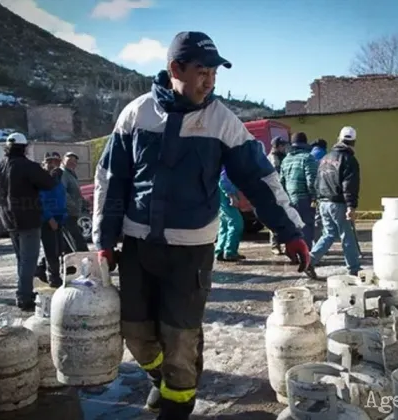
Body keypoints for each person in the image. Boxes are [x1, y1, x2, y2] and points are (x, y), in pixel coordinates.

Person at [92, 31, 309, 420]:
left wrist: (290, 232)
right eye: (202, 71)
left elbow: (260, 180)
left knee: (179, 338)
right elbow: (111, 180)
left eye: (213, 74)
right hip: (139, 247)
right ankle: (163, 380)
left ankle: (178, 405)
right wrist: (104, 240)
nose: (209, 81)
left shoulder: (220, 120)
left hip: (191, 252)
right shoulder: (136, 115)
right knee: (136, 334)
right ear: (175, 69)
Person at [0, 132, 56, 310]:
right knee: (29, 260)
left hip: (8, 219)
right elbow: (49, 183)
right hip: (28, 219)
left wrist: (0, 202)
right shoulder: (27, 166)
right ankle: (24, 296)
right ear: (24, 147)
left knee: (22, 258)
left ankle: (23, 291)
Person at [305, 126, 362, 280]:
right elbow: (349, 185)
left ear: (339, 139)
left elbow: (317, 180)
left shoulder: (326, 158)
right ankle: (354, 270)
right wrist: (351, 206)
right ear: (353, 142)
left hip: (323, 202)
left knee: (329, 234)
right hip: (339, 203)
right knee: (347, 236)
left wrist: (317, 199)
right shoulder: (349, 160)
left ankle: (310, 260)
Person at [279, 132, 318, 250]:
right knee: (306, 227)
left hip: (289, 198)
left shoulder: (286, 160)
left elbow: (281, 181)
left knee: (293, 227)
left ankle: (293, 254)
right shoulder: (308, 158)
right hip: (304, 198)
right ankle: (306, 256)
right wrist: (314, 197)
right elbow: (311, 180)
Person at [36, 153, 67, 287]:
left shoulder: (57, 178)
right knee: (51, 250)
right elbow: (40, 201)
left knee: (59, 249)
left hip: (59, 218)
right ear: (44, 163)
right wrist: (49, 218)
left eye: (56, 161)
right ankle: (54, 278)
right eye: (50, 162)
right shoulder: (42, 180)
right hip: (48, 220)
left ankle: (40, 269)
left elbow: (61, 198)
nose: (53, 164)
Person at [60, 151, 89, 252]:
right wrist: (72, 205)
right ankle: (83, 259)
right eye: (69, 160)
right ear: (63, 161)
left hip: (73, 213)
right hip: (67, 214)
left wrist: (83, 202)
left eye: (74, 161)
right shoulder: (63, 173)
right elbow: (63, 192)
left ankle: (69, 265)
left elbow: (75, 192)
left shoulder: (71, 174)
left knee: (67, 244)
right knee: (78, 242)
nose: (72, 162)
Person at [215, 168, 245, 262]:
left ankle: (220, 251)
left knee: (224, 224)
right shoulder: (231, 163)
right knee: (236, 223)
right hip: (227, 197)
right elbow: (223, 180)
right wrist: (231, 195)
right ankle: (230, 252)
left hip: (221, 195)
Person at [267, 136, 289, 255]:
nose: (285, 147)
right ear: (277, 146)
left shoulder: (283, 157)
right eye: (283, 145)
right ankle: (275, 245)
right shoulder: (272, 159)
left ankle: (285, 244)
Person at [310, 139, 328, 243]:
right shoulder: (326, 156)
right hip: (321, 191)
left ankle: (311, 242)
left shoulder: (309, 155)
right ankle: (318, 242)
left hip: (307, 192)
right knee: (320, 219)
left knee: (310, 218)